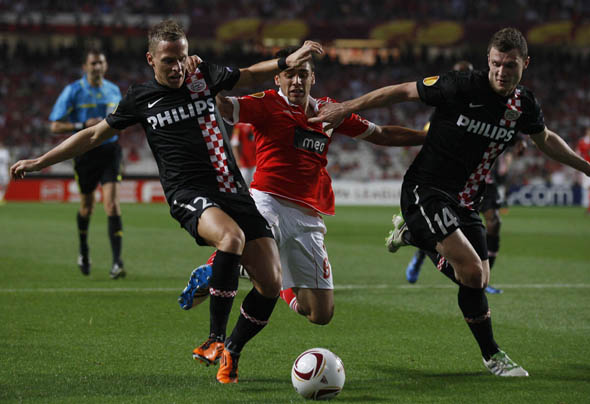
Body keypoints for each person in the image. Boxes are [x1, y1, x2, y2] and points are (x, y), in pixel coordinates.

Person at [11, 19, 323, 384]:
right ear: (150, 59)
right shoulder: (140, 98)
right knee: (231, 238)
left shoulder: (202, 75)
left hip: (233, 189)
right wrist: (40, 162)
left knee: (270, 282)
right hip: (189, 193)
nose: (176, 67)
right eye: (167, 61)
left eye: (181, 57)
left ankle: (232, 352)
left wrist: (290, 60)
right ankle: (213, 340)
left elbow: (250, 74)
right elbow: (94, 134)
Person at [310, 27, 590, 377]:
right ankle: (493, 356)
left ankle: (417, 237)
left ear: (526, 63)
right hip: (425, 189)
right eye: (496, 64)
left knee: (477, 277)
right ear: (487, 61)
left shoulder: (523, 104)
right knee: (474, 273)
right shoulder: (460, 85)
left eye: (510, 66)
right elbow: (401, 91)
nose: (501, 72)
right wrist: (346, 107)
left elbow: (545, 140)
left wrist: (588, 168)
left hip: (466, 201)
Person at [191, 47, 426, 326]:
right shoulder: (266, 103)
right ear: (277, 79)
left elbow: (383, 134)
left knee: (319, 313)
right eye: (289, 75)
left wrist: (429, 137)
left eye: (303, 75)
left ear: (313, 78)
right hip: (268, 202)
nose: (297, 81)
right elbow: (226, 107)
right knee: (258, 244)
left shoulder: (330, 112)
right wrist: (209, 78)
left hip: (308, 216)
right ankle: (219, 265)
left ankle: (268, 278)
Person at [403, 60, 507, 294]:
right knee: (445, 231)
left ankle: (483, 277)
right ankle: (421, 248)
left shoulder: (493, 103)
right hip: (449, 184)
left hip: (481, 182)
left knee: (494, 222)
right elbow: (427, 141)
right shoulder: (446, 112)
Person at [48, 47, 125, 278]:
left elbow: (120, 120)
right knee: (87, 207)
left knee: (111, 204)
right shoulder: (73, 91)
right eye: (93, 63)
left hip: (110, 150)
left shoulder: (114, 90)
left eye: (101, 62)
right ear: (85, 67)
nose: (97, 67)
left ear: (106, 65)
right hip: (84, 153)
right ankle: (83, 251)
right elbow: (54, 125)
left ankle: (117, 263)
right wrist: (81, 126)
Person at [576, 127, 590, 215]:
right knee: (589, 189)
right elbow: (578, 153)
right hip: (586, 168)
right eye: (589, 131)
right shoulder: (583, 142)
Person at [230, 122, 257, 186]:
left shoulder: (257, 123)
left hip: (257, 162)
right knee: (243, 186)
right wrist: (237, 160)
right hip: (244, 163)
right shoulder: (239, 125)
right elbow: (234, 144)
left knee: (255, 187)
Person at [0, 140, 9, 204]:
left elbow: (8, 163)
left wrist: (9, 171)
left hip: (4, 171)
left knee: (5, 185)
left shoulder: (5, 152)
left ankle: (1, 198)